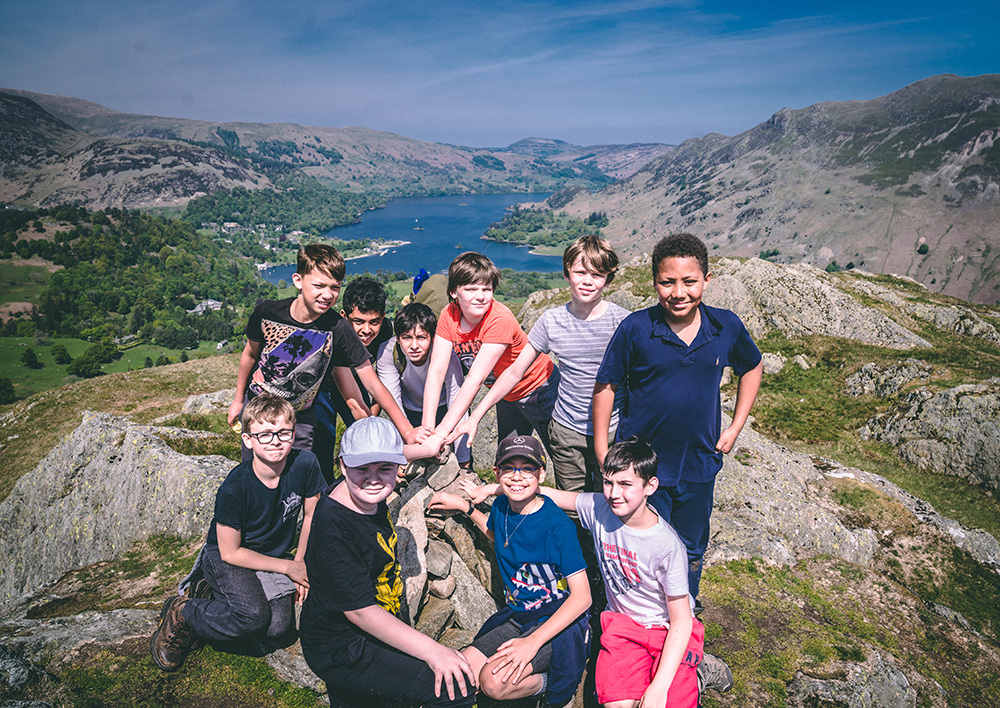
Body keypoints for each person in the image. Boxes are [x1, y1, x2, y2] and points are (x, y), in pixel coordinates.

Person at [463, 436, 734, 707]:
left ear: (650, 486)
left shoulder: (667, 545)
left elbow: (681, 620)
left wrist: (659, 689)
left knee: (659, 700)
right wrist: (493, 488)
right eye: (608, 482)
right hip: (623, 626)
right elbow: (544, 493)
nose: (615, 493)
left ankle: (696, 673)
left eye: (626, 484)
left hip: (666, 629)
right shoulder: (599, 507)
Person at [594, 233, 763, 606]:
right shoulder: (637, 328)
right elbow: (605, 386)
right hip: (642, 466)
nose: (678, 291)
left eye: (689, 281)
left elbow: (752, 366)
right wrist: (603, 450)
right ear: (654, 281)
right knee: (640, 541)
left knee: (689, 546)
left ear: (706, 279)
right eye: (667, 282)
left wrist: (735, 426)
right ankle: (640, 611)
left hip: (698, 462)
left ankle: (686, 608)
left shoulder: (725, 326)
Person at [299, 417, 477, 708]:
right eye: (362, 468)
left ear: (398, 467)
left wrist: (427, 448)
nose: (373, 478)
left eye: (385, 468)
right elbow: (359, 613)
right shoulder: (334, 528)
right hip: (342, 646)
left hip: (360, 627)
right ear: (342, 466)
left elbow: (387, 457)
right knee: (455, 691)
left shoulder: (359, 491)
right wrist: (434, 651)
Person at [151, 395, 325, 672]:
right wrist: (288, 567)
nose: (276, 440)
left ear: (294, 433)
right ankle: (183, 612)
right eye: (264, 434)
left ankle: (209, 597)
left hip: (271, 555)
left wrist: (301, 561)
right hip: (227, 557)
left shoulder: (305, 463)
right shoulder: (236, 488)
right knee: (252, 618)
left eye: (283, 432)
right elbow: (230, 551)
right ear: (248, 440)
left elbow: (312, 515)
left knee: (279, 629)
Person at [446, 235, 629, 492]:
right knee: (572, 504)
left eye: (597, 274)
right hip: (565, 431)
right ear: (567, 273)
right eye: (579, 272)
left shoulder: (624, 323)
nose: (587, 281)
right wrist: (475, 416)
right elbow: (513, 373)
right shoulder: (550, 321)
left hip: (613, 429)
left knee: (611, 498)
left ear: (608, 279)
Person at [429, 435, 592, 707]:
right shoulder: (503, 506)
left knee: (493, 682)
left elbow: (583, 597)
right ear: (497, 473)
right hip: (520, 615)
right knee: (462, 671)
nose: (517, 477)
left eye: (527, 468)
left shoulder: (558, 526)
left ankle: (549, 683)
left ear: (541, 473)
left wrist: (532, 643)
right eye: (509, 468)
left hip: (557, 621)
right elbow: (497, 535)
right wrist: (466, 507)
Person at [227, 245, 420, 464]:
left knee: (300, 479)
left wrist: (407, 432)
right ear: (298, 280)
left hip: (300, 418)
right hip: (258, 411)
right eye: (319, 285)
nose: (328, 295)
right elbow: (250, 355)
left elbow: (372, 384)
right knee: (255, 476)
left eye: (335, 287)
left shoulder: (338, 329)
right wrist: (237, 400)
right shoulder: (267, 313)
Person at [423, 252, 561, 457]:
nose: (480, 296)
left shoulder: (499, 318)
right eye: (470, 289)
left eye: (486, 289)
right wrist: (428, 429)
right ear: (454, 292)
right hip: (505, 393)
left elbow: (475, 379)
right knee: (509, 457)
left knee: (561, 456)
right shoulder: (448, 315)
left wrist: (442, 431)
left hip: (539, 389)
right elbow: (436, 371)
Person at [376, 302, 473, 469]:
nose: (414, 346)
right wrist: (409, 437)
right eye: (407, 337)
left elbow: (456, 398)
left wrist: (463, 462)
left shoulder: (445, 352)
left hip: (445, 410)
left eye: (421, 337)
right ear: (398, 339)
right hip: (408, 413)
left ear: (433, 337)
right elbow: (393, 400)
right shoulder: (387, 352)